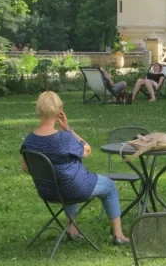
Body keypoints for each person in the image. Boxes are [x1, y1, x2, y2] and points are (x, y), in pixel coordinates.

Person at [20, 91, 129, 245]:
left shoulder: (29, 141)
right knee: (109, 186)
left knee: (67, 179)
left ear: (38, 111)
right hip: (73, 188)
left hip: (47, 191)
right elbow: (87, 149)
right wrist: (68, 129)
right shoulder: (64, 139)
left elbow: (25, 168)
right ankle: (118, 234)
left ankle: (72, 230)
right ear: (59, 112)